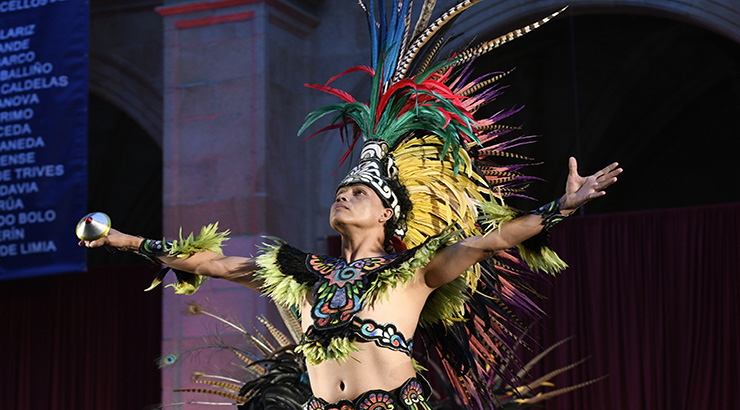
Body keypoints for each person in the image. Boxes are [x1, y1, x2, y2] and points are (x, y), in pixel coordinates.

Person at [81, 3, 622, 409]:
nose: (343, 194)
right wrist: (123, 240)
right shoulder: (308, 275)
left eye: (358, 192)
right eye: (340, 190)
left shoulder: (414, 271)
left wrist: (562, 207)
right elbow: (210, 264)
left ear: (387, 212)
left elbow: (493, 239)